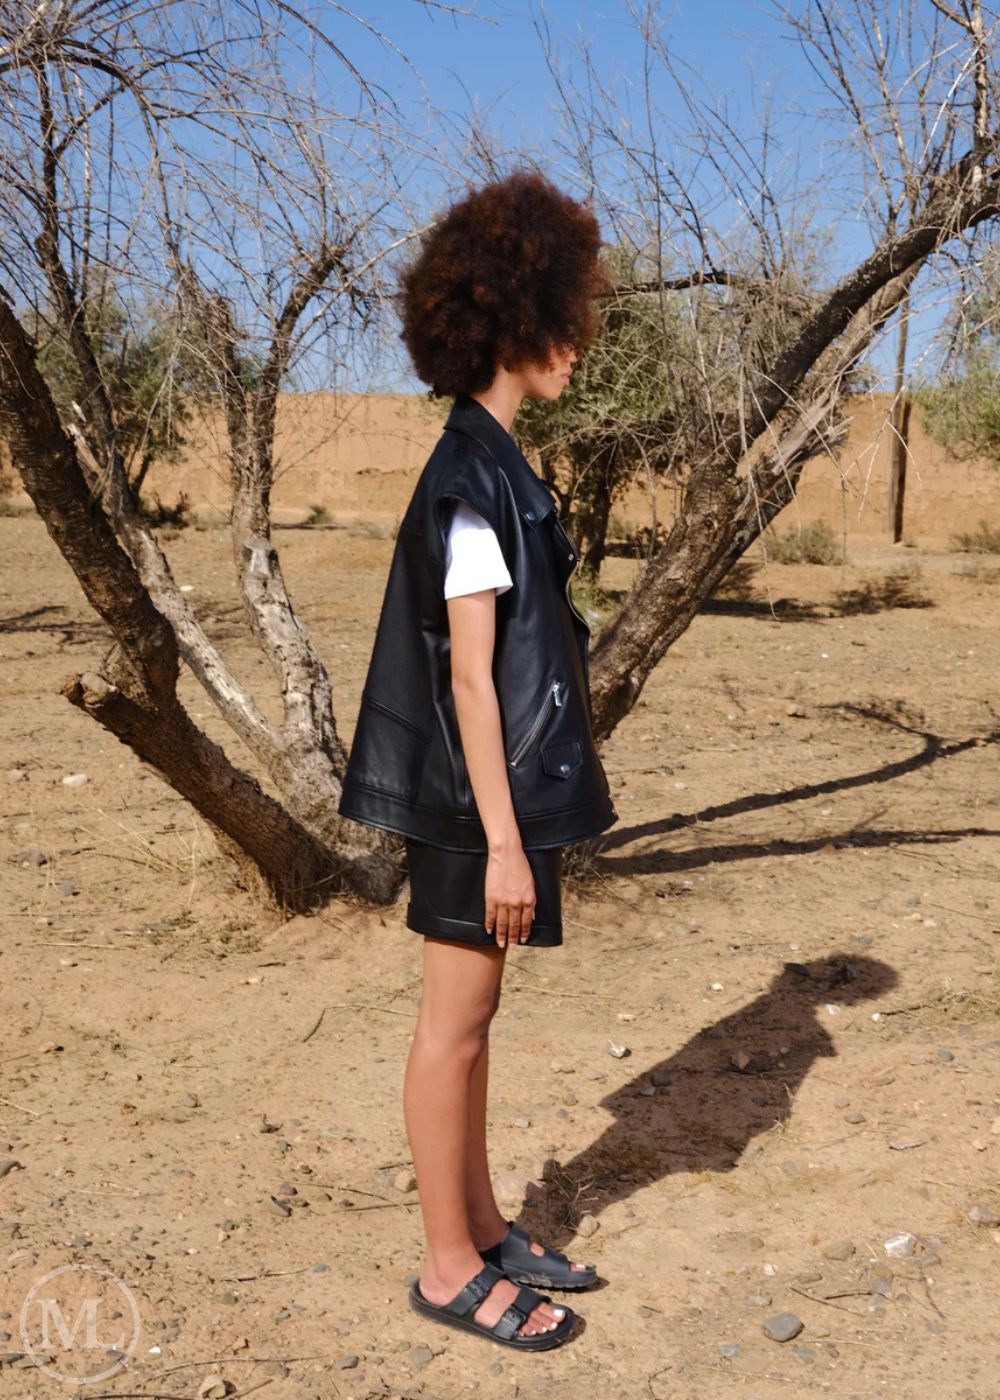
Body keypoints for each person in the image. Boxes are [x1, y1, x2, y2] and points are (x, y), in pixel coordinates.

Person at [337, 168, 617, 1351]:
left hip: (483, 807)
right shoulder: (466, 481)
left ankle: (486, 1222)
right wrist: (503, 840)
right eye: (562, 319)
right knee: (450, 1027)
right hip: (468, 812)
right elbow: (464, 679)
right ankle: (449, 1264)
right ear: (512, 320)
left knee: (478, 1018)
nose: (576, 344)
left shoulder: (495, 462)